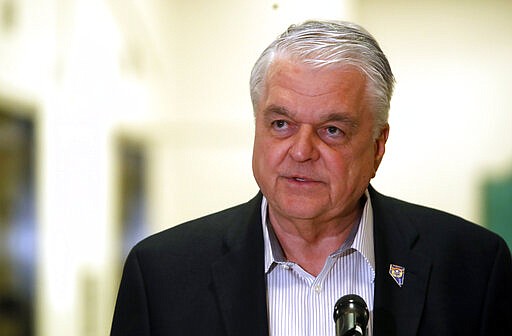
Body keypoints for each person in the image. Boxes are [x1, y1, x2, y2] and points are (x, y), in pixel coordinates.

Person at [110, 20, 512, 336]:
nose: (301, 151)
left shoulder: (472, 267)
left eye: (332, 130)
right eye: (281, 123)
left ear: (377, 145)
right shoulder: (161, 275)